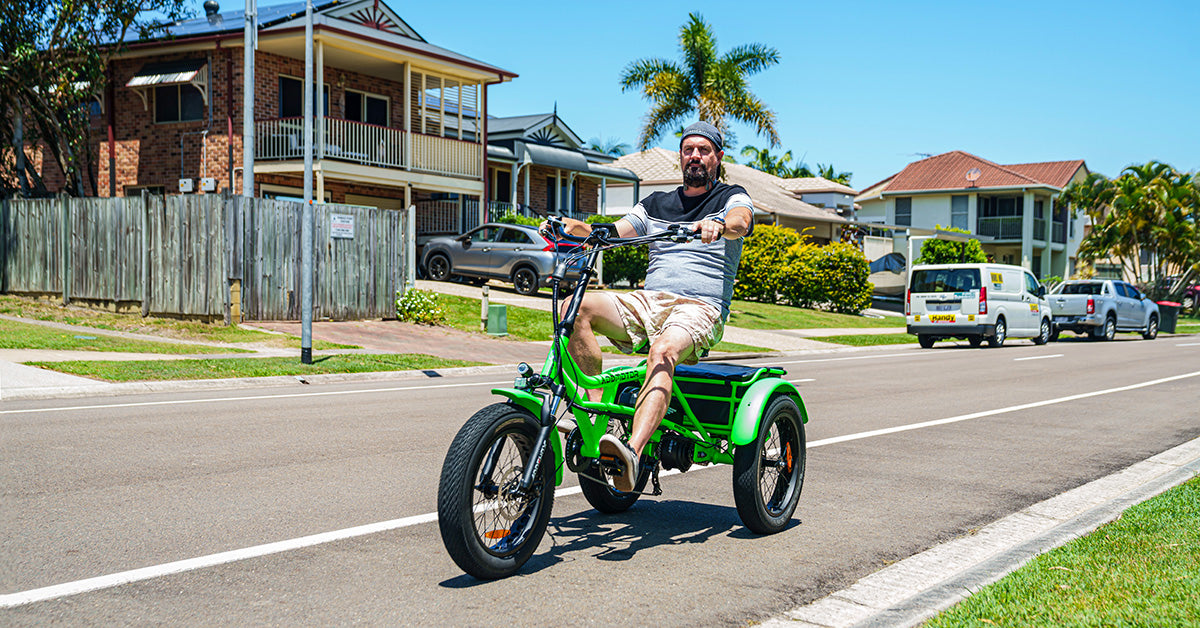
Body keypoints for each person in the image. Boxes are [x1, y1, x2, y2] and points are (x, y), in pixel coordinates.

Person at [543, 121, 754, 492]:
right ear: (681, 157)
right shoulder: (656, 204)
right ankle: (597, 419)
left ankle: (631, 454)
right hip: (649, 301)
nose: (695, 156)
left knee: (662, 350)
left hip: (700, 307)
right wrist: (572, 227)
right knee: (572, 311)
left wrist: (720, 224)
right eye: (688, 150)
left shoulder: (730, 197)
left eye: (704, 151)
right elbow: (612, 231)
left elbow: (741, 221)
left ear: (718, 158)